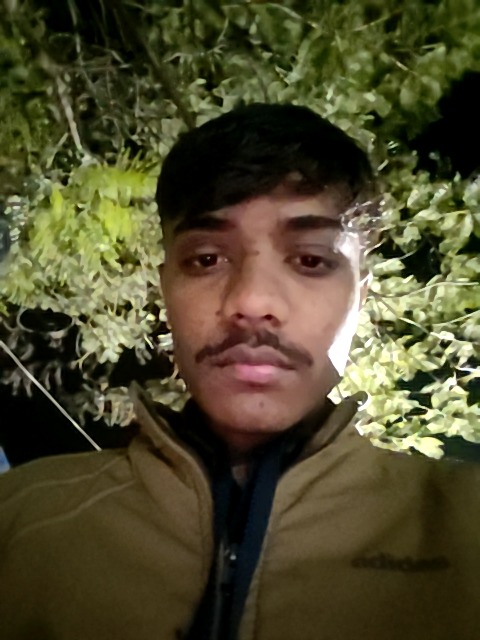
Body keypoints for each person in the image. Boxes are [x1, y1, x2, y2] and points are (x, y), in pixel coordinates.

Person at [1, 102, 479, 640]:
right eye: (206, 259)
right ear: (166, 289)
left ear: (359, 298)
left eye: (311, 260)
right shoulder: (20, 521)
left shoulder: (464, 526)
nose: (251, 301)